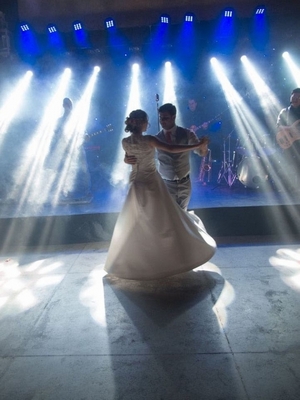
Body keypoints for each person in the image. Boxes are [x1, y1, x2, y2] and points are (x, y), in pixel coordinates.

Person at [104, 109, 216, 280]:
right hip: (151, 182)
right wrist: (196, 145)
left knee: (140, 220)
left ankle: (143, 257)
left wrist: (127, 159)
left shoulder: (125, 141)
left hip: (136, 182)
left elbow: (130, 156)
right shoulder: (150, 139)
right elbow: (171, 148)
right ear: (142, 123)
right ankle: (166, 257)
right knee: (164, 220)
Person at [125, 103, 209, 210]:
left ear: (174, 117)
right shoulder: (155, 138)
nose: (162, 121)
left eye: (165, 118)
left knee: (183, 214)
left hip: (185, 183)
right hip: (166, 184)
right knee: (169, 215)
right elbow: (169, 148)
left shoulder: (187, 133)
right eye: (161, 118)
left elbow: (202, 153)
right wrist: (126, 159)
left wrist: (203, 146)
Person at [45, 97, 92, 203]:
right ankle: (62, 193)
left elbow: (84, 135)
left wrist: (86, 137)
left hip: (77, 149)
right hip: (63, 150)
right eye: (66, 104)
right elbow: (55, 136)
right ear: (63, 106)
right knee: (61, 171)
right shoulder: (59, 121)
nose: (67, 107)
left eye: (69, 104)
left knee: (83, 171)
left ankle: (86, 192)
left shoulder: (77, 121)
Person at [276, 88, 300, 191]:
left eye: (298, 97)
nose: (295, 99)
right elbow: (278, 127)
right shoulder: (285, 111)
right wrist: (290, 128)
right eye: (294, 96)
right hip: (288, 142)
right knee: (288, 164)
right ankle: (287, 186)